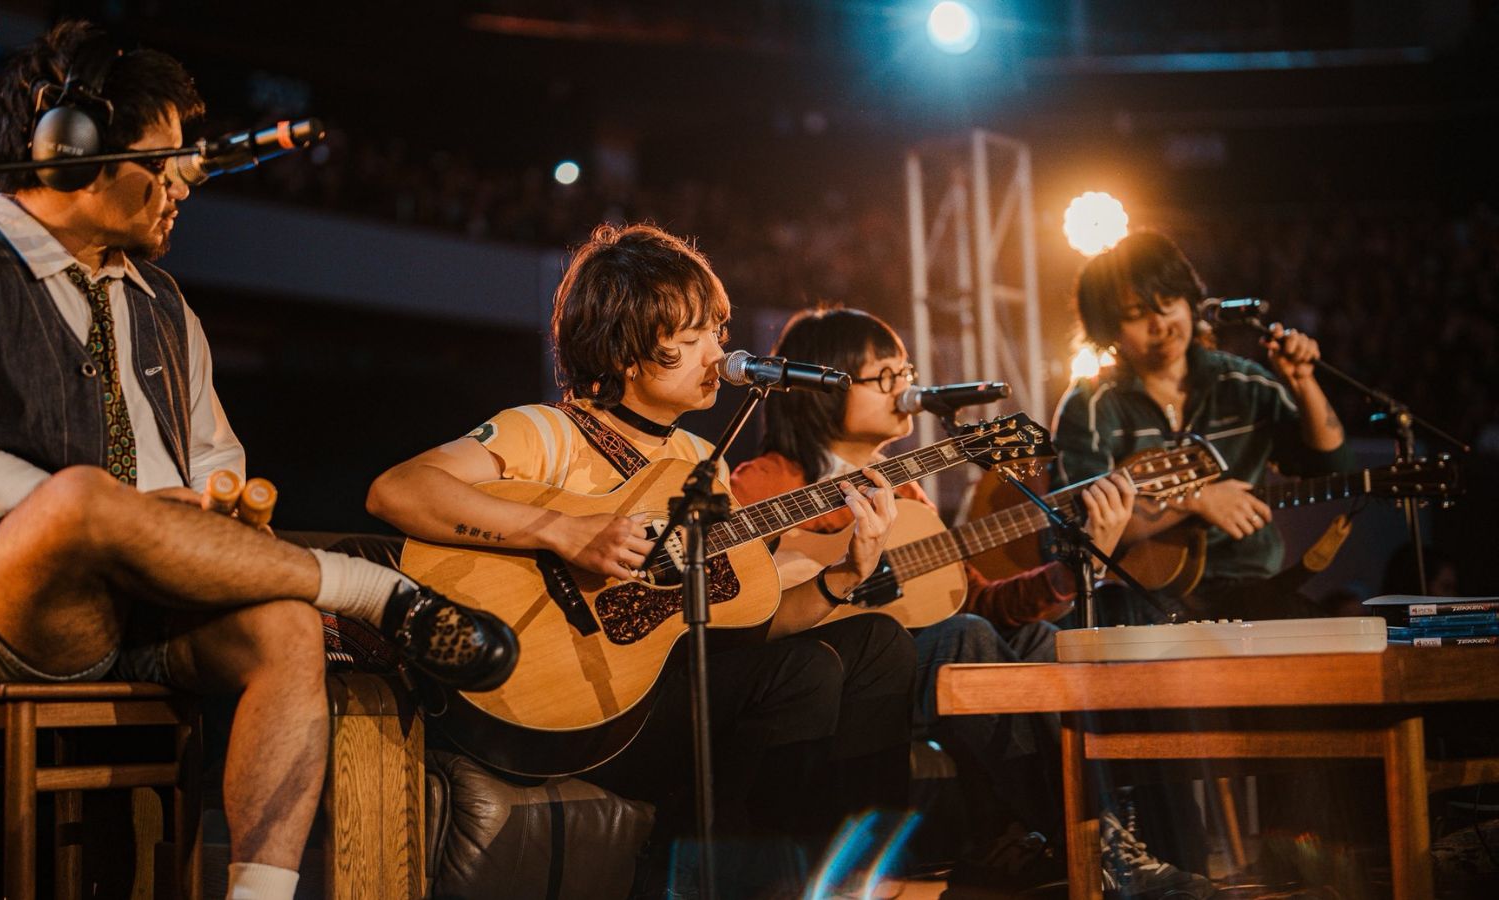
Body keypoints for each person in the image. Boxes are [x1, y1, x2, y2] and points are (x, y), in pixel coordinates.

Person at [0, 22, 511, 900]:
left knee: (288, 629)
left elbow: (216, 455)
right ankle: (371, 592)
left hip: (143, 604)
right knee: (79, 501)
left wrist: (222, 508)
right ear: (68, 153)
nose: (187, 180)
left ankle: (259, 894)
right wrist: (121, 519)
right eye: (166, 159)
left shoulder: (165, 303)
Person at [368, 224, 915, 895]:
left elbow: (738, 630)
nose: (723, 350)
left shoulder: (696, 464)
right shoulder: (547, 432)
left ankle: (868, 876)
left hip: (667, 688)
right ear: (633, 355)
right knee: (803, 675)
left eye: (719, 329)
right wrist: (566, 532)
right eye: (698, 337)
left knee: (877, 644)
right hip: (571, 704)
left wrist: (844, 578)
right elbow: (398, 489)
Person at [726, 307, 1137, 884]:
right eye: (885, 376)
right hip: (843, 680)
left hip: (923, 667)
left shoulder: (907, 488)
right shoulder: (766, 481)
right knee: (964, 638)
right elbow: (741, 598)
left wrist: (1070, 574)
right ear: (826, 387)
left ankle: (1086, 838)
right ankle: (1076, 842)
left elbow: (974, 602)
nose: (908, 389)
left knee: (1039, 637)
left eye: (907, 371)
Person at [1053, 230, 1351, 622]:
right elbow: (1081, 521)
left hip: (1251, 584)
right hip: (1142, 598)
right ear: (1108, 329)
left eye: (1168, 303)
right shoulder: (1090, 405)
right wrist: (1197, 499)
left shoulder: (1243, 384)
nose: (1160, 324)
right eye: (1135, 314)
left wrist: (1303, 383)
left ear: (1191, 302)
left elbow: (1332, 466)